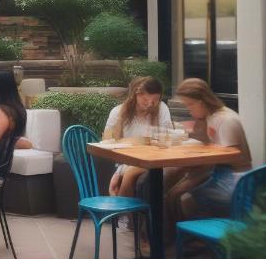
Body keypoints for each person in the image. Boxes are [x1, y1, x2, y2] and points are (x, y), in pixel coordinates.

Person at [167, 78, 252, 227]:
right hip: (219, 171)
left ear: (202, 100)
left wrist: (194, 159)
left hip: (235, 177)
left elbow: (233, 155)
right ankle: (182, 239)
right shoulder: (211, 117)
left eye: (190, 104)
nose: (189, 109)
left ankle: (195, 240)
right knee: (173, 192)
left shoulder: (226, 120)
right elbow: (207, 143)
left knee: (183, 197)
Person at [103, 76, 173, 198]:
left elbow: (168, 137)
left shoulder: (161, 108)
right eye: (145, 99)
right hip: (127, 161)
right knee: (130, 173)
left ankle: (126, 214)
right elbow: (107, 142)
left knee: (130, 175)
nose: (150, 104)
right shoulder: (118, 112)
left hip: (156, 160)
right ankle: (126, 215)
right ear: (135, 95)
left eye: (155, 100)